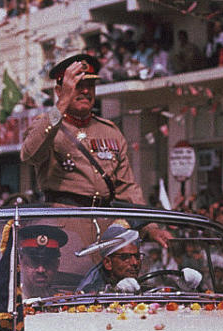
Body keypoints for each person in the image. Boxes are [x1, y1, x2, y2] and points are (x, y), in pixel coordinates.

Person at [20, 53, 172, 249]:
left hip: (106, 231)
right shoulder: (47, 126)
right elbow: (29, 154)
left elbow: (128, 189)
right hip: (63, 229)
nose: (85, 91)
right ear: (60, 90)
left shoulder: (110, 131)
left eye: (90, 86)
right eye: (77, 85)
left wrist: (150, 227)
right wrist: (62, 104)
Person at [17, 224, 67, 298]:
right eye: (34, 262)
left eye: (47, 262)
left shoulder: (64, 302)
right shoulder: (8, 303)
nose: (41, 270)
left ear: (57, 264)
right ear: (20, 262)